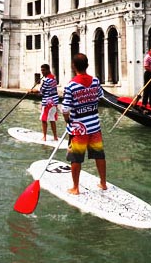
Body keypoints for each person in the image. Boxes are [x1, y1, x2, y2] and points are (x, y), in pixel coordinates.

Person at [62, 53, 106, 195]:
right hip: (94, 125)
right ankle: (103, 183)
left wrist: (67, 120)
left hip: (79, 128)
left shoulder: (70, 86)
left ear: (73, 66)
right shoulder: (95, 81)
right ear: (87, 65)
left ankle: (75, 188)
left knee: (76, 158)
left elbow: (65, 109)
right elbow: (100, 96)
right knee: (99, 155)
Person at [32, 64, 59, 141]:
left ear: (48, 70)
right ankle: (55, 137)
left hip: (47, 102)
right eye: (41, 70)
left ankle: (44, 137)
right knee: (52, 119)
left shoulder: (46, 80)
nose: (42, 72)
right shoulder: (53, 78)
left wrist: (32, 91)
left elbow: (41, 91)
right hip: (54, 101)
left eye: (43, 70)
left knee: (44, 120)